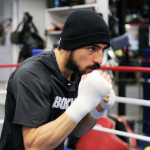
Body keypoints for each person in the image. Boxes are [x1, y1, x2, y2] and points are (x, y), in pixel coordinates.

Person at [0, 9, 115, 150]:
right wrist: (83, 102)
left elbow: (77, 130)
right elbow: (33, 146)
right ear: (71, 45)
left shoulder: (78, 71)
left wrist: (99, 108)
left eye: (103, 50)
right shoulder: (31, 76)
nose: (99, 59)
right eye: (92, 48)